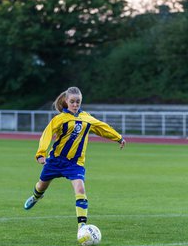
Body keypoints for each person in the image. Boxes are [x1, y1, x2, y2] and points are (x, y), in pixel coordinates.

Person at [24, 86, 125, 233]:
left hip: (75, 163)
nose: (75, 105)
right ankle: (35, 197)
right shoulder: (59, 119)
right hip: (55, 161)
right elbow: (46, 135)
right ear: (66, 101)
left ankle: (82, 226)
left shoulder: (86, 118)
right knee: (41, 186)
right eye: (72, 102)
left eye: (78, 102)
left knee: (80, 188)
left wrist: (118, 138)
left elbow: (102, 127)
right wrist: (40, 154)